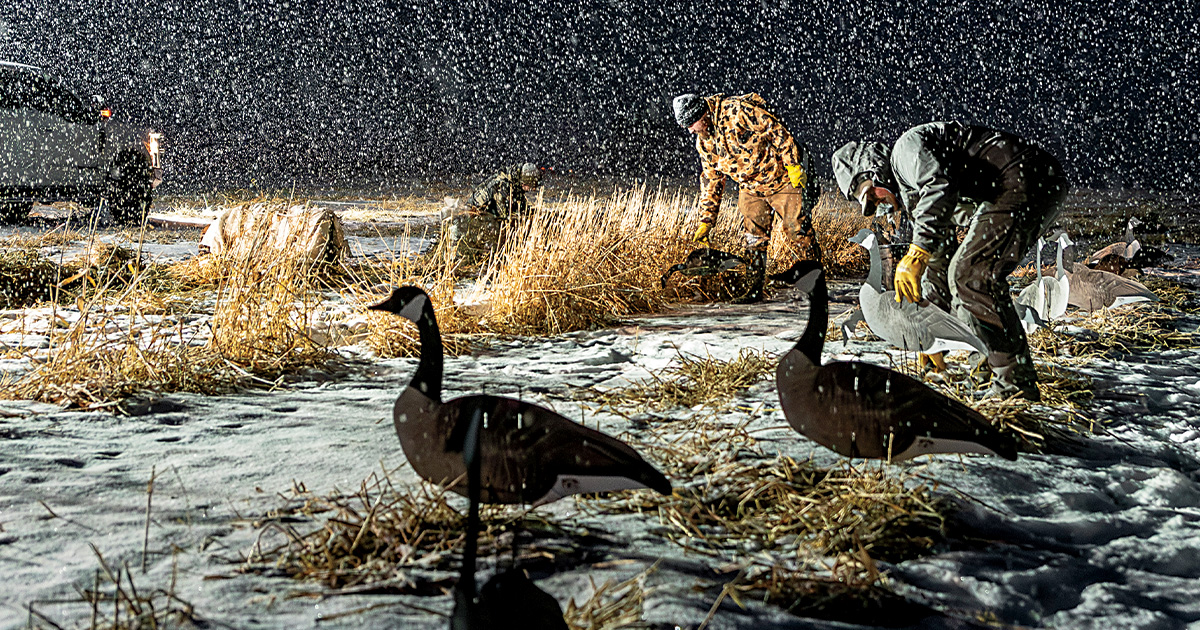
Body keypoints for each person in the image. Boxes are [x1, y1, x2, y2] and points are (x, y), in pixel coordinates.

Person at [831, 122, 1067, 401]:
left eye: (872, 196)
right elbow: (939, 268)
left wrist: (918, 250)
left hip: (1023, 178)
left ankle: (1014, 387)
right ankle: (986, 366)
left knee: (971, 276)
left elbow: (939, 184)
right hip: (1029, 184)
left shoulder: (906, 151)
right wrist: (931, 342)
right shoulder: (916, 199)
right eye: (869, 207)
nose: (877, 207)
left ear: (877, 173)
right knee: (963, 278)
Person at [672, 93, 821, 303]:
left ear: (702, 113)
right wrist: (706, 221)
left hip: (781, 179)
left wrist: (793, 164)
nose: (690, 130)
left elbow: (775, 129)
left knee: (798, 231)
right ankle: (753, 291)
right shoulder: (704, 144)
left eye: (691, 123)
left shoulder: (736, 111)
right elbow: (712, 181)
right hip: (750, 188)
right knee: (753, 239)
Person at [441, 163, 542, 261]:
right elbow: (504, 216)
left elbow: (520, 206)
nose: (532, 189)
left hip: (486, 218)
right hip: (475, 221)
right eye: (531, 186)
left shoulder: (515, 184)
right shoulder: (503, 185)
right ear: (524, 182)